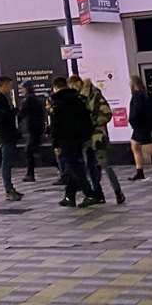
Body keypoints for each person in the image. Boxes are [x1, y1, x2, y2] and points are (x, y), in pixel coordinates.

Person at [49, 76, 100, 208]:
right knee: (74, 166)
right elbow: (86, 118)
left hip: (65, 139)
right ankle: (69, 196)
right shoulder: (78, 98)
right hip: (79, 138)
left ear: (55, 87)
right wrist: (86, 136)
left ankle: (90, 194)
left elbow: (56, 125)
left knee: (74, 167)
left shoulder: (57, 102)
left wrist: (55, 144)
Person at [75, 76, 125, 205]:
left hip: (97, 137)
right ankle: (98, 194)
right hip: (86, 138)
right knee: (91, 167)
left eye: (73, 85)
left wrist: (92, 123)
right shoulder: (80, 98)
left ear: (78, 83)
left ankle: (118, 192)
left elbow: (107, 114)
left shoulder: (94, 95)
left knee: (105, 166)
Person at [17, 80, 49, 182]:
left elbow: (21, 114)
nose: (21, 90)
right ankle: (30, 174)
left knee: (30, 151)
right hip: (37, 129)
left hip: (33, 129)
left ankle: (30, 174)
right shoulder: (35, 99)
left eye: (22, 88)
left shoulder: (28, 100)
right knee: (34, 151)